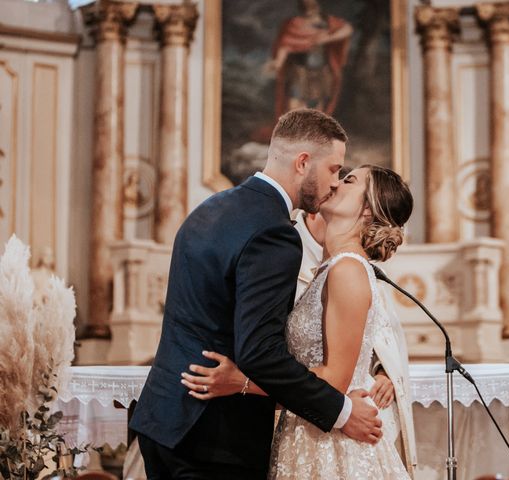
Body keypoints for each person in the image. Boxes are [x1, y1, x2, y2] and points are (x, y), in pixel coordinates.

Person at [129, 109, 382, 480]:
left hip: (165, 420)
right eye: (334, 169)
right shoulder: (274, 233)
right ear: (303, 162)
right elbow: (259, 353)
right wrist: (342, 411)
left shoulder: (211, 208)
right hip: (214, 438)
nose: (335, 182)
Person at [183, 165, 414, 478]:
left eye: (349, 180)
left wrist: (243, 383)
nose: (335, 182)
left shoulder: (347, 271)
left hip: (332, 446)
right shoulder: (331, 268)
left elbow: (335, 381)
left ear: (368, 210)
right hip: (310, 429)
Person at [292, 208, 418, 476]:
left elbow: (383, 333)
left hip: (348, 415)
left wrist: (385, 372)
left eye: (347, 180)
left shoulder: (351, 265)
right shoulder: (287, 246)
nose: (337, 183)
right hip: (302, 414)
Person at [268, 0, 352, 118]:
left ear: (318, 6)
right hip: (299, 70)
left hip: (320, 71)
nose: (308, 10)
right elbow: (285, 45)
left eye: (311, 6)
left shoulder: (327, 23)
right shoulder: (294, 23)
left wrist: (327, 38)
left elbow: (347, 29)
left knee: (317, 107)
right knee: (294, 104)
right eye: (305, 6)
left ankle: (311, 134)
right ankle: (296, 133)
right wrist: (278, 62)